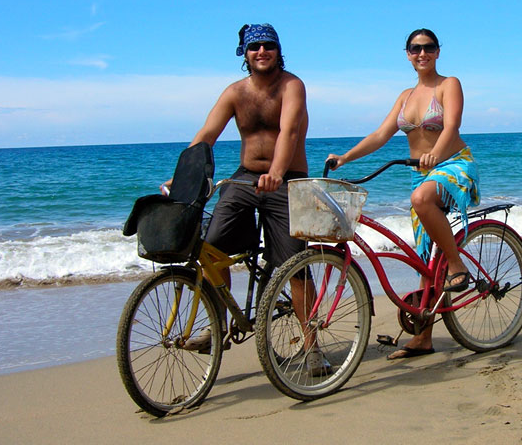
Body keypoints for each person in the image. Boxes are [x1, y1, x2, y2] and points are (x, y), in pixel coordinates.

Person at [164, 23, 329, 375]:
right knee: (212, 250)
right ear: (244, 53)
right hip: (244, 178)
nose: (262, 52)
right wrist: (184, 176)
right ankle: (217, 326)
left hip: (287, 181)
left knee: (293, 266)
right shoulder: (234, 93)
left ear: (278, 49)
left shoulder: (291, 85)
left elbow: (290, 130)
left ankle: (313, 347)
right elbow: (207, 134)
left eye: (268, 45)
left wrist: (278, 172)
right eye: (255, 47)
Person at [326, 28, 479, 360]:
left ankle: (457, 266)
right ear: (407, 54)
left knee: (422, 200)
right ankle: (423, 338)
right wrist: (345, 157)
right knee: (424, 257)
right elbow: (381, 134)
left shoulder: (448, 84)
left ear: (438, 51)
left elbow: (451, 125)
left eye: (427, 48)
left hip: (454, 164)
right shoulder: (405, 96)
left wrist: (437, 154)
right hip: (420, 173)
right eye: (415, 49)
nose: (421, 53)